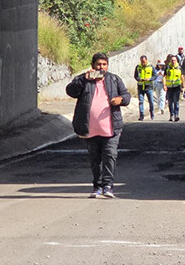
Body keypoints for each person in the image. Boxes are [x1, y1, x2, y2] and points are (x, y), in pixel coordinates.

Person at [66, 52, 131, 198]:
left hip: (111, 127)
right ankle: (97, 186)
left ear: (107, 66)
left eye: (104, 64)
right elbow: (70, 91)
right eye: (98, 64)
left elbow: (127, 96)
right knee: (95, 159)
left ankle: (108, 185)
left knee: (110, 155)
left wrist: (120, 99)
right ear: (92, 65)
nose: (101, 67)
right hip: (90, 128)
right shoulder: (84, 79)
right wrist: (83, 79)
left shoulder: (114, 79)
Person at [134, 55, 156, 120]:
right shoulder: (138, 67)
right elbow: (135, 76)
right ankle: (141, 115)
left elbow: (155, 75)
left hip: (149, 87)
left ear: (146, 60)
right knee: (141, 101)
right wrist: (139, 79)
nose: (143, 63)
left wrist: (149, 79)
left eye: (144, 62)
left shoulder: (151, 66)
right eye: (142, 62)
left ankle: (152, 113)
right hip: (141, 87)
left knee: (151, 101)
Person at [164, 54, 183, 122]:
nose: (173, 61)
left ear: (176, 60)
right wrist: (164, 85)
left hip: (176, 87)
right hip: (169, 88)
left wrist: (182, 86)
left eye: (174, 60)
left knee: (176, 102)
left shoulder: (179, 67)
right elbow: (164, 77)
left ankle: (176, 115)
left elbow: (182, 77)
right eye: (172, 60)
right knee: (170, 102)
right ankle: (171, 115)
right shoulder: (167, 67)